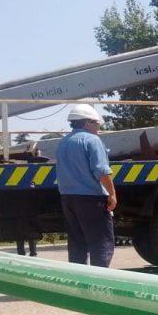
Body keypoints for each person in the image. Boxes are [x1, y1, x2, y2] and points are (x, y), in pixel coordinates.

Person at [56, 104, 117, 267]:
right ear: (87, 123)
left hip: (68, 199)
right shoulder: (92, 140)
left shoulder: (63, 142)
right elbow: (101, 171)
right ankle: (100, 284)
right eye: (97, 124)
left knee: (77, 245)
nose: (98, 128)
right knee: (101, 244)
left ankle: (79, 284)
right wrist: (112, 194)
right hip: (91, 199)